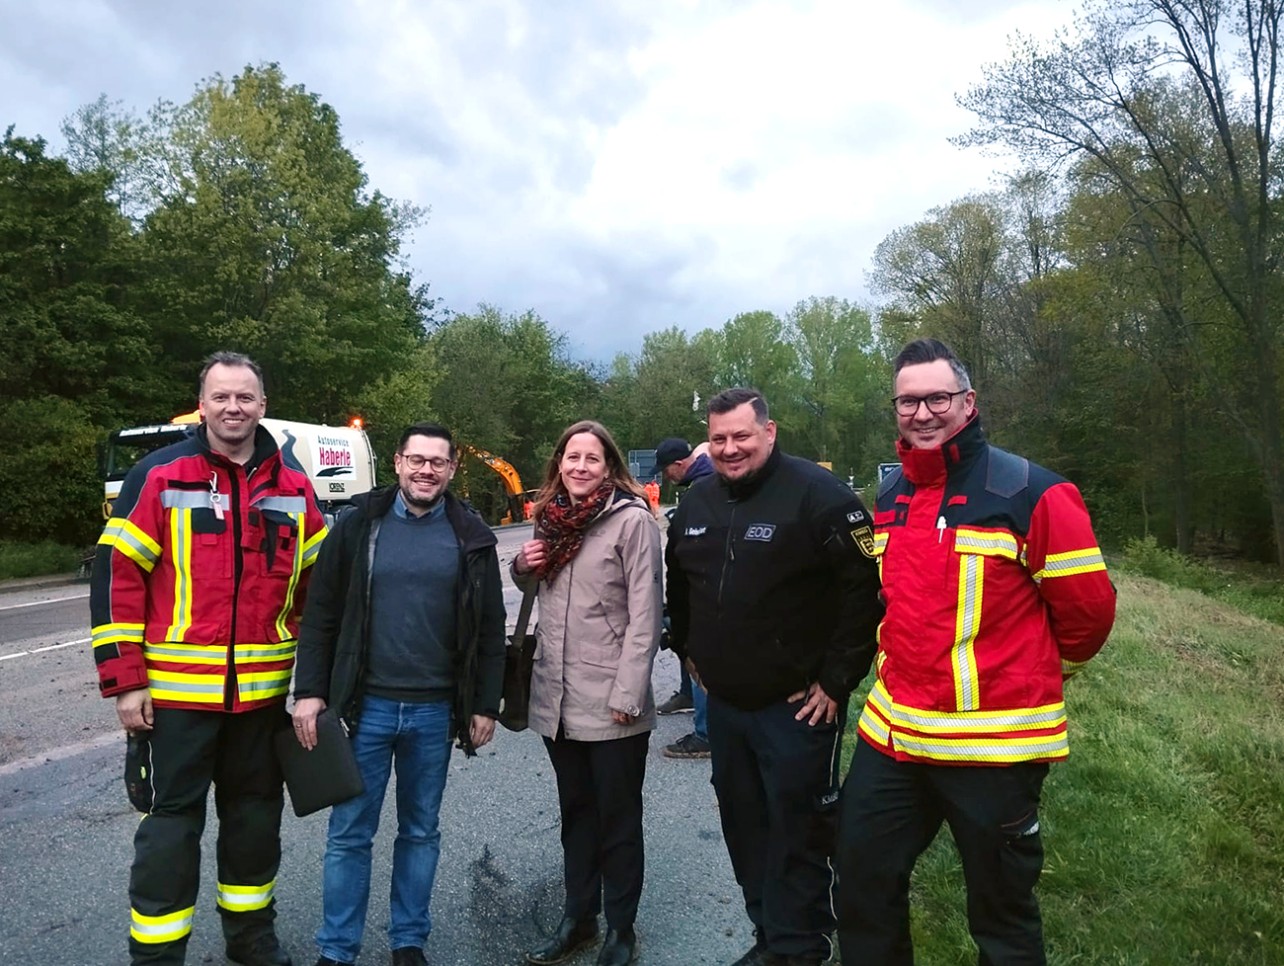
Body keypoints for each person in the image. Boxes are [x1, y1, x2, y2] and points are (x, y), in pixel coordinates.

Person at [835, 339, 1117, 965]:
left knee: (1002, 916)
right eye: (908, 400)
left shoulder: (1033, 493)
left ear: (968, 402)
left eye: (938, 397)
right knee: (860, 885)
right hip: (894, 738)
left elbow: (1089, 616)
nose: (923, 412)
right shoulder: (890, 500)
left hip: (995, 747)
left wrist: (1034, 671)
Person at [90, 351, 328, 966]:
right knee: (171, 830)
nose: (233, 408)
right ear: (203, 404)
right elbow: (118, 576)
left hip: (262, 700)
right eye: (220, 396)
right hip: (175, 702)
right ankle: (158, 955)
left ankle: (251, 942)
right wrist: (124, 681)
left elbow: (322, 592)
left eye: (245, 397)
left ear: (263, 405)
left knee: (254, 827)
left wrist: (316, 683)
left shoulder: (296, 487)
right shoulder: (161, 474)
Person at [665, 389, 883, 966]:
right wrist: (687, 650)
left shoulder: (821, 497)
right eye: (719, 439)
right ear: (706, 443)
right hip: (728, 706)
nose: (730, 449)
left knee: (798, 829)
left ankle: (804, 945)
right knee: (745, 827)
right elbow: (679, 587)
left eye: (741, 436)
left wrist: (837, 681)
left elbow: (865, 597)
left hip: (798, 707)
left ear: (770, 430)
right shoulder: (696, 503)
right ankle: (770, 936)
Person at [291, 421, 507, 966]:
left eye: (438, 462)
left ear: (453, 468)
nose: (426, 470)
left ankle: (408, 942)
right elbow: (321, 615)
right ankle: (337, 950)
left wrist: (485, 703)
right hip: (365, 710)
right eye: (417, 460)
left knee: (420, 832)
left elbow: (488, 628)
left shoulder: (471, 535)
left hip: (436, 712)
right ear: (398, 462)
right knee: (349, 834)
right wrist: (311, 691)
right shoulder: (359, 524)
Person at [513, 420, 663, 966]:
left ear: (609, 466)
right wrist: (520, 565)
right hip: (556, 697)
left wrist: (629, 692)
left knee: (618, 818)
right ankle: (579, 918)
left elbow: (647, 616)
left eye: (591, 459)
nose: (579, 467)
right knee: (575, 813)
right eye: (570, 457)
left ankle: (621, 929)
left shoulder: (631, 522)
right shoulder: (549, 520)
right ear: (558, 464)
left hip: (612, 699)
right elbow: (539, 590)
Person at [652, 437, 715, 759]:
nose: (666, 478)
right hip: (695, 585)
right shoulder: (702, 479)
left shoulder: (706, 484)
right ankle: (689, 693)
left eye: (666, 471)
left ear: (678, 464)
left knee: (697, 647)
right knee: (675, 624)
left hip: (702, 589)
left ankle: (705, 734)